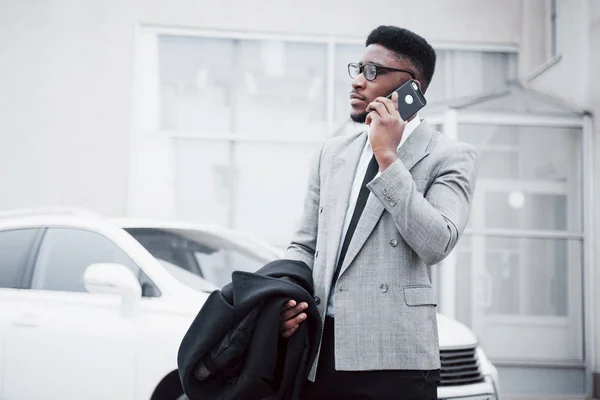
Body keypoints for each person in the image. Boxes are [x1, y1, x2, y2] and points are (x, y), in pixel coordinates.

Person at [280, 25, 479, 400]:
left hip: (396, 359)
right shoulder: (332, 153)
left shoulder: (450, 155)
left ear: (411, 89)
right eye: (358, 68)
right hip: (320, 349)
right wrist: (286, 302)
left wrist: (388, 156)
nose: (357, 81)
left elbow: (437, 242)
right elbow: (304, 246)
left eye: (373, 72)